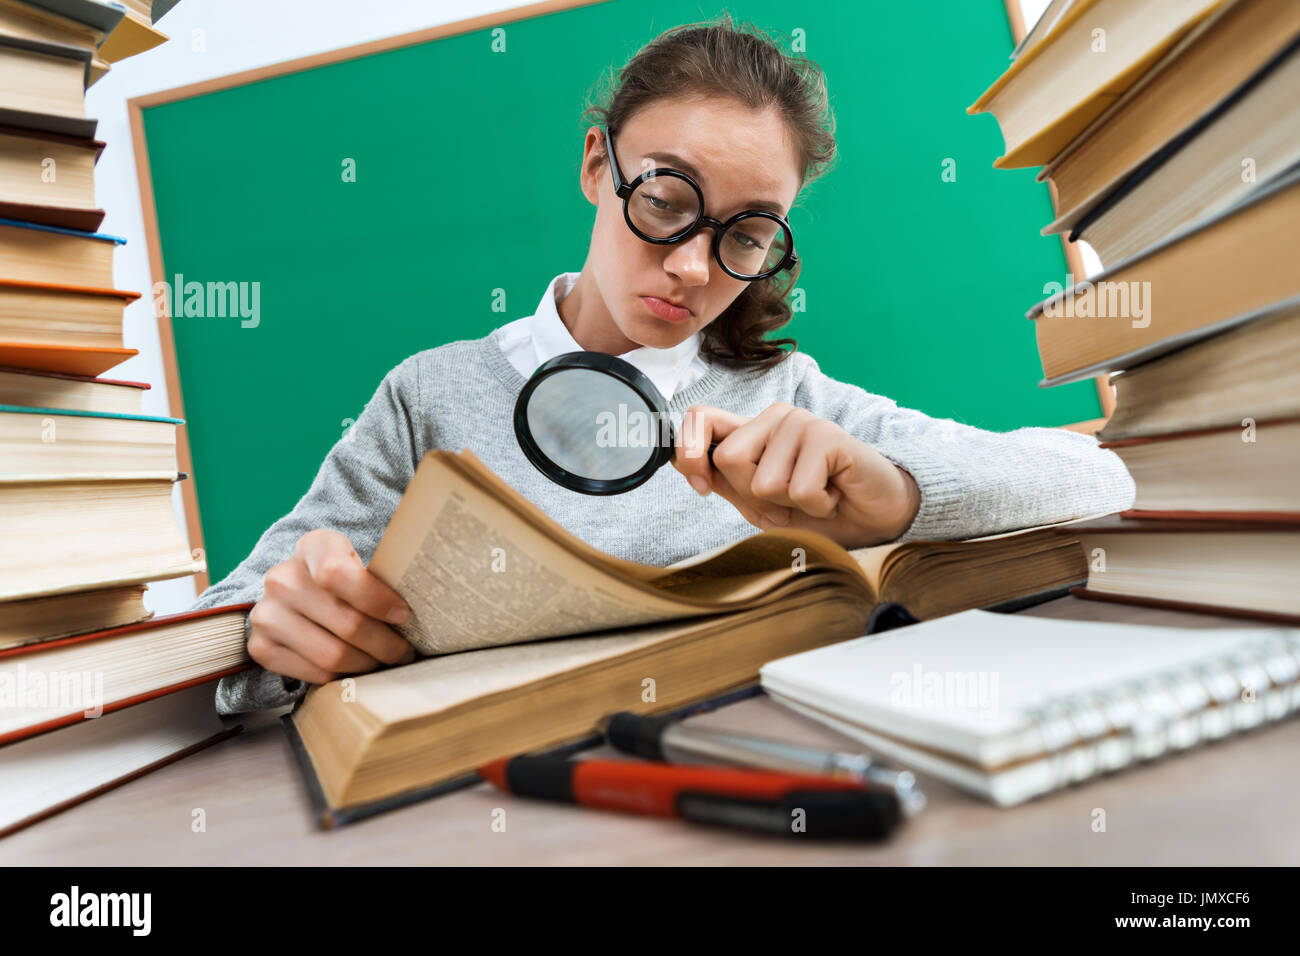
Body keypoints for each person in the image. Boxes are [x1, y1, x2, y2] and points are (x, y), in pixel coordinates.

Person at [190, 16, 1134, 714]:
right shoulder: (429, 394)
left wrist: (893, 495)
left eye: (749, 232)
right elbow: (223, 630)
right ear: (600, 166)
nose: (690, 266)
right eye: (667, 197)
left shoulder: (785, 401)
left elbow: (1089, 472)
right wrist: (273, 642)